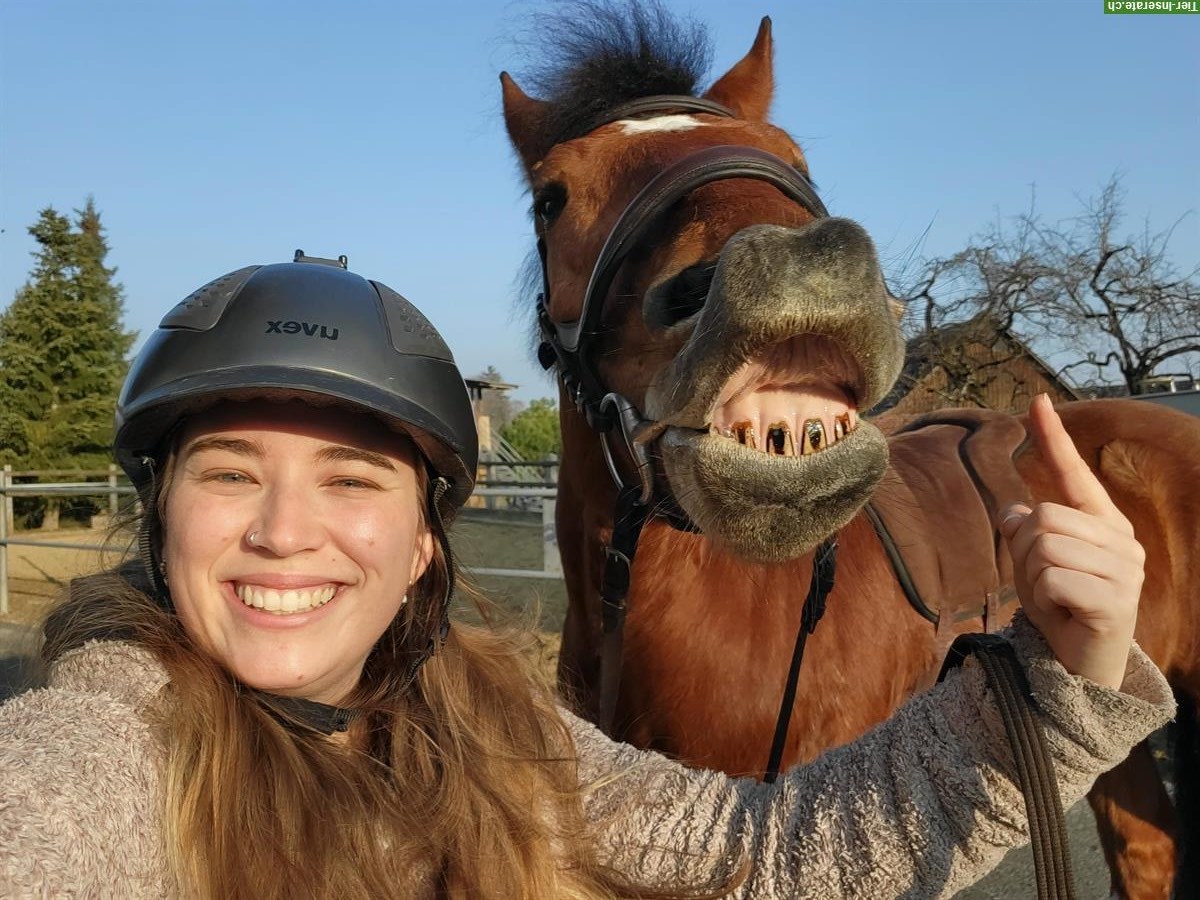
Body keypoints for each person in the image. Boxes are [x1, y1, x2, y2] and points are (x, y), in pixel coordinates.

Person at [0, 254, 1173, 900]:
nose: (283, 531)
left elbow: (766, 851)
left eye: (354, 480)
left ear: (421, 547)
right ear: (160, 523)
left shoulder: (504, 730)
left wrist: (1055, 673)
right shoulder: (94, 763)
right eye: (229, 473)